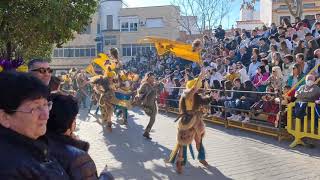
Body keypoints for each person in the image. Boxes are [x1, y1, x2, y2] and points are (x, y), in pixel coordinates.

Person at [0, 72, 69, 179]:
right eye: (35, 107)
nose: (46, 115)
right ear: (4, 117)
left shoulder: (36, 146)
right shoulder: (10, 170)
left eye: (46, 104)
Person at [47, 94, 113, 179]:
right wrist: (106, 175)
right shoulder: (77, 157)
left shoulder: (38, 143)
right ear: (70, 123)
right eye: (74, 118)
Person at [167, 69, 212, 174]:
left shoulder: (195, 95)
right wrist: (201, 76)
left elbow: (204, 100)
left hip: (195, 120)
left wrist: (211, 97)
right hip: (189, 120)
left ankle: (201, 158)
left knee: (198, 140)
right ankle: (180, 163)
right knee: (183, 142)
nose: (198, 88)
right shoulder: (188, 94)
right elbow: (194, 89)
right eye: (197, 87)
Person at [135, 72, 161, 140]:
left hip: (154, 103)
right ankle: (147, 132)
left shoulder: (155, 84)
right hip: (147, 103)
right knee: (152, 116)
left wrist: (159, 85)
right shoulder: (145, 85)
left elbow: (159, 92)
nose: (153, 79)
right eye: (151, 77)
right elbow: (140, 93)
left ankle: (147, 132)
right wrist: (139, 96)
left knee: (153, 118)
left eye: (153, 77)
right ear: (148, 77)